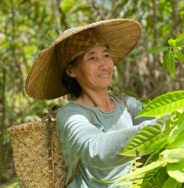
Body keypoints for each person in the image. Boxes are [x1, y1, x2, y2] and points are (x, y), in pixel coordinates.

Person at [25, 19, 158, 187]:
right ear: (71, 70)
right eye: (92, 58)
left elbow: (162, 121)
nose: (104, 64)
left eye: (106, 55)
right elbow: (95, 150)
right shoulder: (71, 115)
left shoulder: (126, 104)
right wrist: (160, 126)